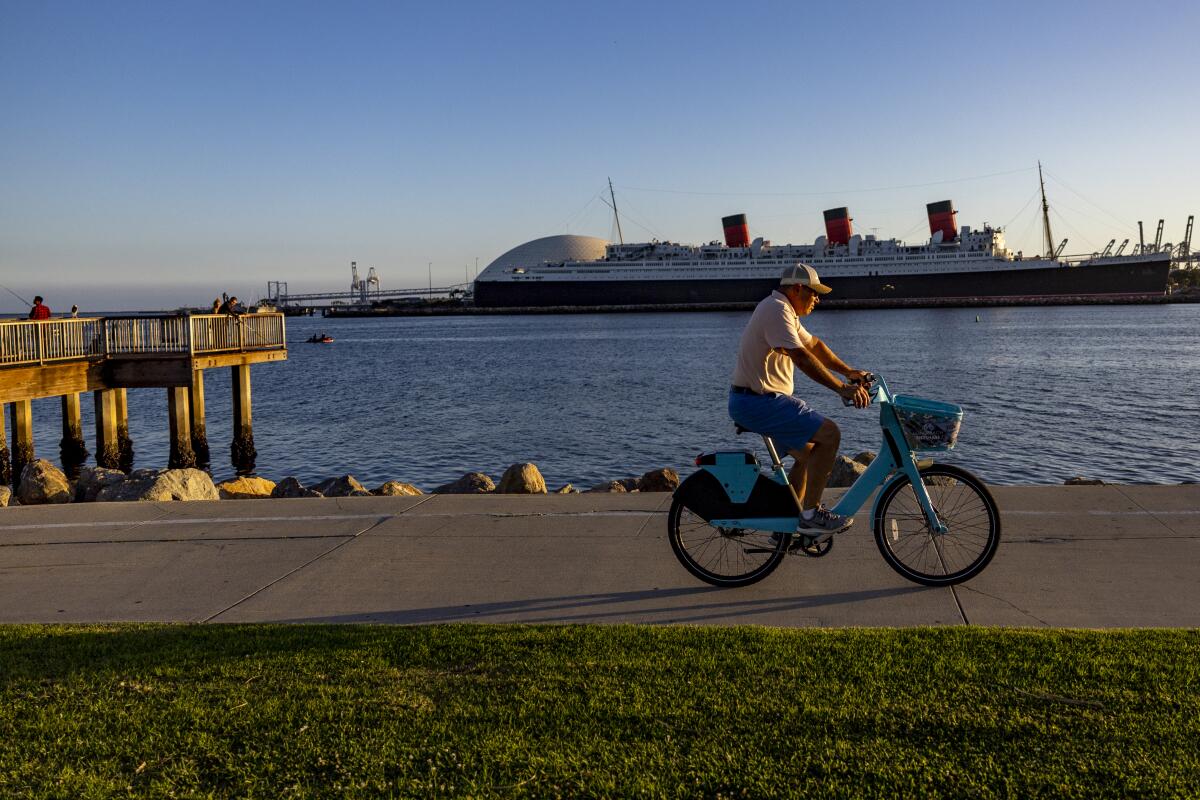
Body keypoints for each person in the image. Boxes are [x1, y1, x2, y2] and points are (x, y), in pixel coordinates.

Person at [728, 263, 871, 536]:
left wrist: (849, 371)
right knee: (829, 434)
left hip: (758, 401)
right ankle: (811, 514)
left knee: (808, 454)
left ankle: (785, 522)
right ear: (797, 289)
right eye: (814, 293)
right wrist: (841, 388)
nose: (817, 299)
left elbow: (813, 346)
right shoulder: (776, 309)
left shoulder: (786, 313)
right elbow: (802, 357)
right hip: (759, 401)